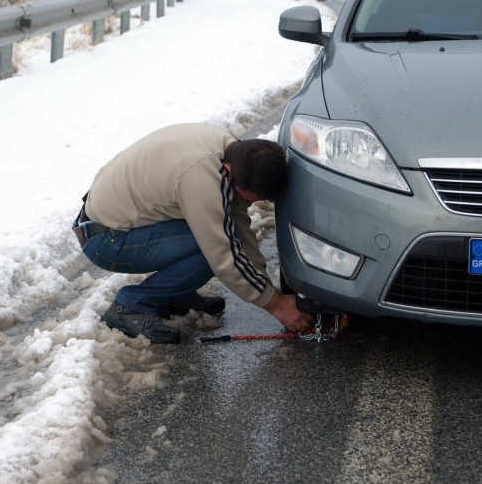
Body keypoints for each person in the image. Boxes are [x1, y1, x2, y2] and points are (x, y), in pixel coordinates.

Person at [72, 123, 313, 344]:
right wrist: (277, 304)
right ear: (229, 171)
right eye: (246, 198)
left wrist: (267, 286)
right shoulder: (202, 177)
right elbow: (224, 253)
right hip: (106, 239)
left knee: (223, 235)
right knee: (212, 246)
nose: (246, 204)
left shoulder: (234, 153)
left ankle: (172, 295)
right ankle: (130, 306)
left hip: (116, 221)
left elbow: (237, 220)